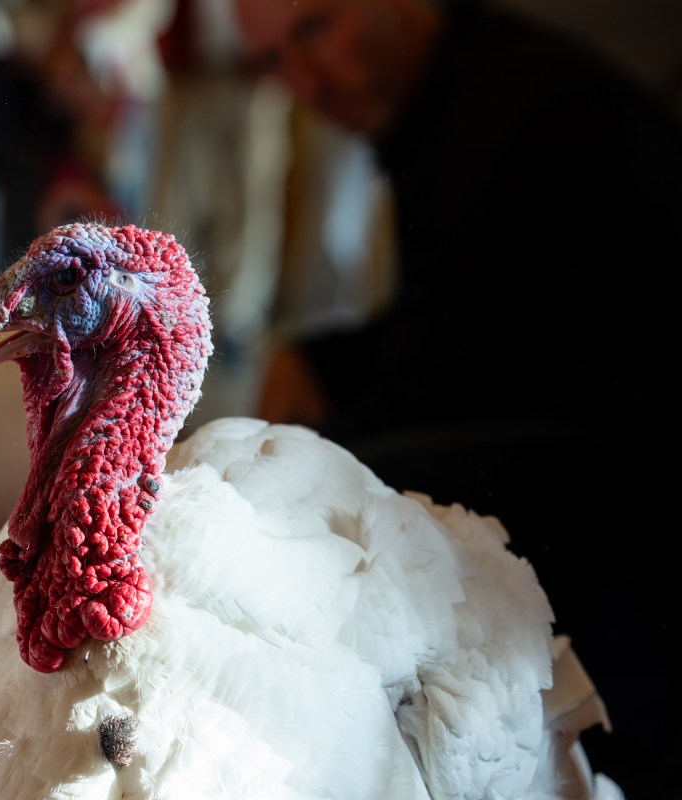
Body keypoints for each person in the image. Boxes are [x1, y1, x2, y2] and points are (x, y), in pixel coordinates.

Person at [235, 0, 682, 793]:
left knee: (313, 500)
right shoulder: (461, 95)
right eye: (274, 60)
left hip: (647, 501)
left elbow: (447, 378)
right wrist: (320, 361)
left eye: (315, 29)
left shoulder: (503, 115)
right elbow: (455, 328)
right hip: (576, 431)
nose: (304, 81)